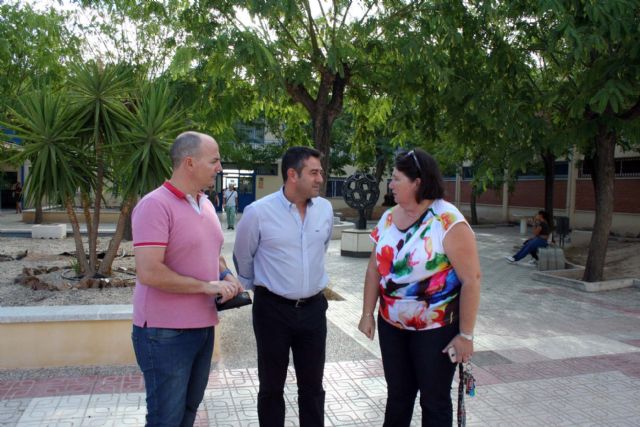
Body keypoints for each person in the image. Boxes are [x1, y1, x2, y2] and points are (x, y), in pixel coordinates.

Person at [358, 148, 481, 426]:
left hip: (435, 332)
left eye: (396, 178)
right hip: (391, 327)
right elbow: (373, 268)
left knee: (434, 400)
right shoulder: (389, 217)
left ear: (417, 182)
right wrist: (368, 313)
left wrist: (466, 335)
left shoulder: (447, 220)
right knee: (398, 396)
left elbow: (472, 280)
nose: (390, 184)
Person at [131, 131, 243, 426]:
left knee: (188, 413)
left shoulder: (205, 203)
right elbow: (149, 271)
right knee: (165, 419)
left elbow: (213, 255)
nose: (220, 167)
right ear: (189, 163)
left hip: (203, 327)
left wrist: (227, 276)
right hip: (164, 333)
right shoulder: (154, 205)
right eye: (215, 160)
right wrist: (207, 287)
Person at [233, 146, 333, 427]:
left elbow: (320, 249)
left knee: (313, 387)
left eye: (321, 173)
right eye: (313, 173)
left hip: (314, 310)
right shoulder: (258, 212)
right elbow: (243, 256)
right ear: (292, 175)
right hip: (272, 311)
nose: (319, 179)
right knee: (271, 387)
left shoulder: (324, 210)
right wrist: (265, 286)